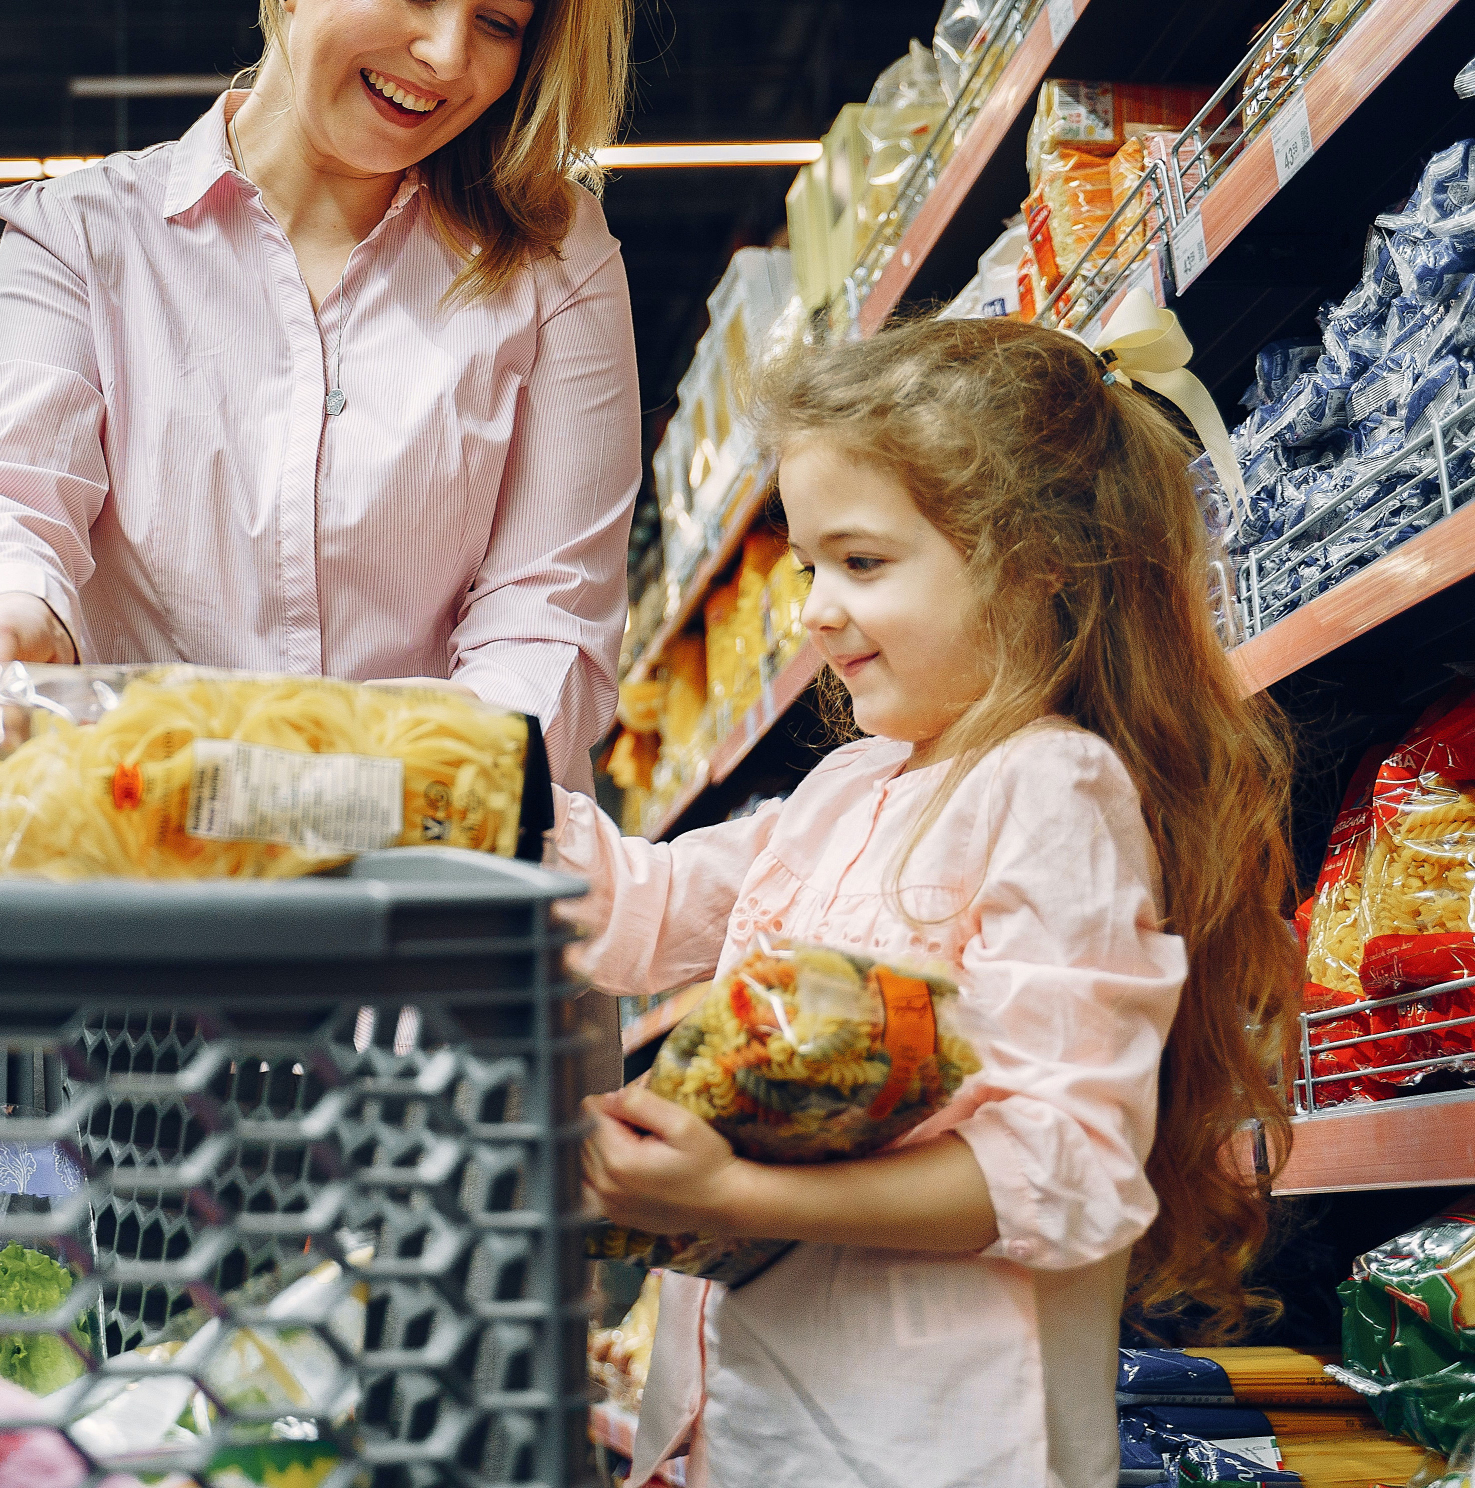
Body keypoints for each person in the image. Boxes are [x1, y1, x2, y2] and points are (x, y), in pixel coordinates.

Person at [556, 317, 1299, 1488]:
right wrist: (452, 771)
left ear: (1040, 561)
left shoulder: (1052, 790)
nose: (814, 611)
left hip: (934, 1444)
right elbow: (635, 905)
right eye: (808, 566)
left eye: (862, 563)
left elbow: (1065, 1163)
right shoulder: (846, 789)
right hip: (749, 1433)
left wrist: (731, 1192)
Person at [0, 0, 643, 792]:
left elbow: (550, 608)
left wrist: (367, 795)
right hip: (143, 847)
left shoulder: (552, 255)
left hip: (432, 871)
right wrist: (11, 617)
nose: (448, 54)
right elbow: (13, 492)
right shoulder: (84, 237)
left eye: (500, 22)